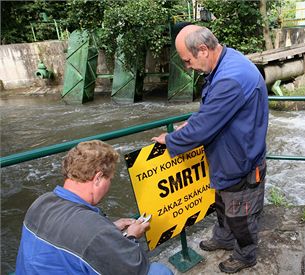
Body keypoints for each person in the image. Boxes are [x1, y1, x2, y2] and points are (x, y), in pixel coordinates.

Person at [152, 25, 268, 273]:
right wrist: (193, 122)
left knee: (241, 217)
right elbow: (212, 112)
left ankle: (246, 255)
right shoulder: (226, 62)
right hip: (230, 157)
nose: (187, 67)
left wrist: (171, 140)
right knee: (223, 204)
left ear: (203, 50)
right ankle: (224, 238)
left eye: (187, 60)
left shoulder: (230, 79)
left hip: (241, 163)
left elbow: (204, 128)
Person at [15, 140, 173, 275]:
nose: (110, 184)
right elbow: (134, 268)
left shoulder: (41, 202)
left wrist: (109, 228)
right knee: (158, 271)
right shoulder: (94, 231)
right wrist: (131, 237)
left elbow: (70, 236)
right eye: (110, 179)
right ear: (98, 178)